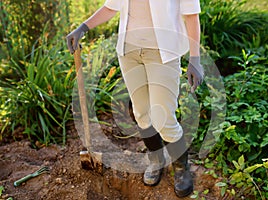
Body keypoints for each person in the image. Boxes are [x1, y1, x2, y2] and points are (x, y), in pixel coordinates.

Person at [67, 0, 204, 198]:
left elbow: (191, 14)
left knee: (163, 118)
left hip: (163, 53)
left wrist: (195, 58)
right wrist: (83, 27)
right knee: (141, 113)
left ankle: (181, 169)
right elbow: (110, 6)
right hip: (129, 53)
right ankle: (156, 160)